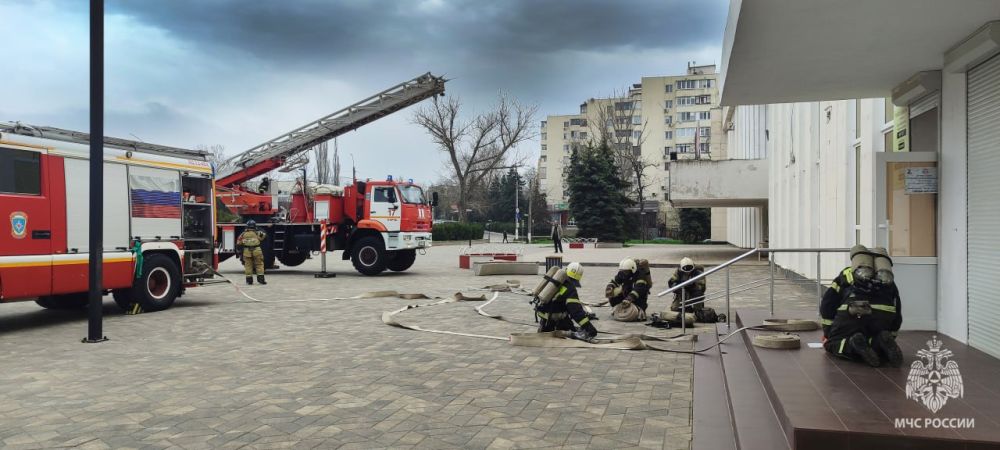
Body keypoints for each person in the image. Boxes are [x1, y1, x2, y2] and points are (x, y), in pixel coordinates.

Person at [820, 246, 903, 367]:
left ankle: (852, 344)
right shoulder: (888, 280)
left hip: (853, 312)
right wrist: (892, 334)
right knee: (873, 338)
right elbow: (897, 306)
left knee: (832, 344)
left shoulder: (846, 273)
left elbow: (827, 304)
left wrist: (828, 333)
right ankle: (880, 340)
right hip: (883, 315)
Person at [535, 262, 598, 342]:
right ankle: (558, 330)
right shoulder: (570, 288)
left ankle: (545, 328)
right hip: (556, 317)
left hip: (544, 314)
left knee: (564, 322)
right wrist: (589, 328)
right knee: (573, 331)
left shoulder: (556, 281)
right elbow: (576, 311)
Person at [237, 220, 267, 285]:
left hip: (247, 251)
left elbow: (238, 242)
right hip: (257, 251)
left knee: (248, 266)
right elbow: (264, 236)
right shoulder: (258, 233)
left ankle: (249, 281)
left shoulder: (243, 234)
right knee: (259, 265)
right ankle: (261, 280)